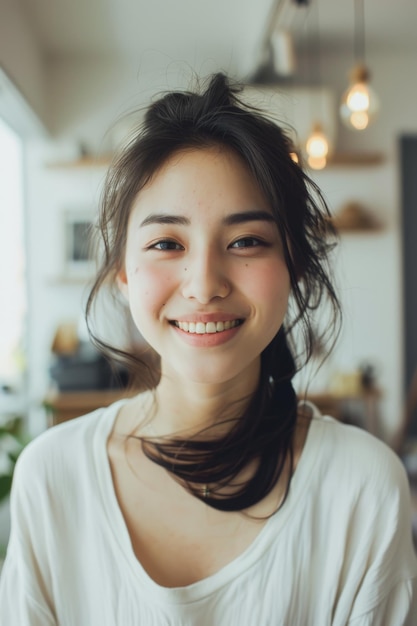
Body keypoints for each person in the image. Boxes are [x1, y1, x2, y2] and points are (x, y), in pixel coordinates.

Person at [0, 73, 416, 625]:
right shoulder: (53, 478)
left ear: (291, 264)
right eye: (167, 243)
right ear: (124, 272)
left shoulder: (362, 488)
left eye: (246, 241)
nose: (204, 283)